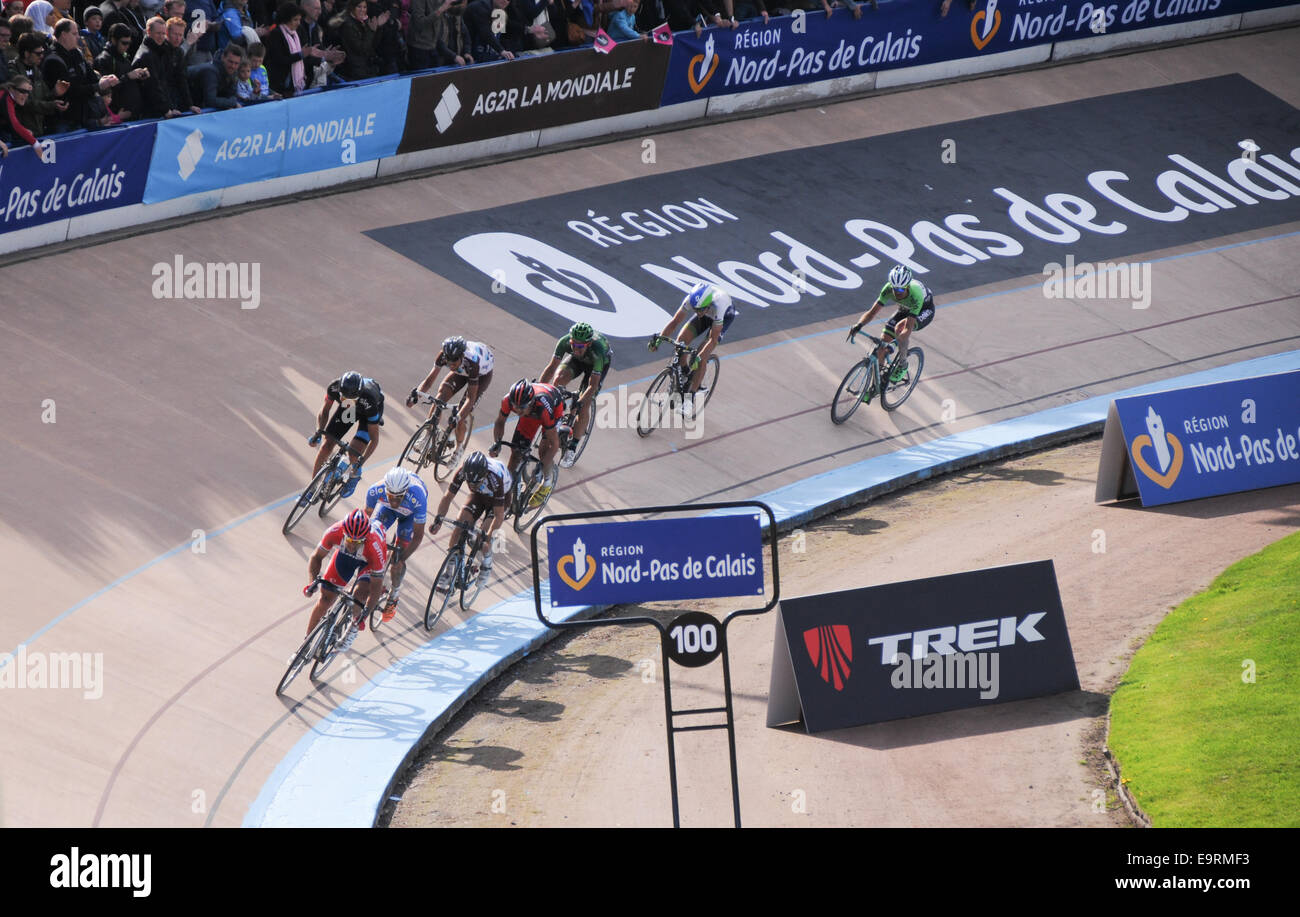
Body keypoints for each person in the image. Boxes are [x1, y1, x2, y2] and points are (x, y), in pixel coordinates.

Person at [302, 508, 386, 651]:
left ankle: (352, 628)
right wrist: (312, 583)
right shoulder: (334, 531)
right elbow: (316, 557)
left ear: (365, 538)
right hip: (344, 557)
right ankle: (306, 644)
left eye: (357, 542)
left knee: (359, 596)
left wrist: (364, 615)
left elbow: (376, 587)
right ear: (343, 533)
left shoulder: (374, 545)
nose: (352, 545)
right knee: (325, 599)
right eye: (349, 540)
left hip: (369, 563)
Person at [649, 281, 736, 414]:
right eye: (696, 310)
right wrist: (659, 340)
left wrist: (700, 356)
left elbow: (712, 340)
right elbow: (675, 322)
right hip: (708, 314)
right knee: (680, 342)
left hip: (723, 318)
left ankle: (690, 399)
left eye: (700, 310)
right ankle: (684, 373)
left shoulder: (720, 305)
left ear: (708, 305)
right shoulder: (692, 301)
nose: (698, 312)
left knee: (700, 356)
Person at [429, 450, 510, 591]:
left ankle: (487, 563)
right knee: (459, 524)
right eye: (469, 483)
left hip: (498, 500)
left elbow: (498, 515)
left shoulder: (495, 479)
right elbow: (448, 496)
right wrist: (438, 519)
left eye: (475, 483)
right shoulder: (463, 472)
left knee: (482, 538)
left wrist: (488, 538)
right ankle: (449, 572)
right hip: (479, 496)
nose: (471, 486)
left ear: (484, 475)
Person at [848, 264, 935, 391]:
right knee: (882, 345)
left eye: (900, 290)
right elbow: (872, 312)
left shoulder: (916, 294)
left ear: (907, 287)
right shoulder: (888, 289)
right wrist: (858, 325)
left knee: (900, 328)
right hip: (905, 309)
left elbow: (907, 329)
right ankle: (875, 387)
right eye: (894, 289)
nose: (896, 292)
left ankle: (903, 364)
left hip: (923, 311)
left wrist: (893, 345)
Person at [406, 336, 493, 460]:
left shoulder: (473, 363)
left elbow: (470, 398)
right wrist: (415, 395)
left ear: (462, 356)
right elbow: (429, 382)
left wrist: (458, 417)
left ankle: (459, 449)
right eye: (448, 361)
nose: (450, 364)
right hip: (461, 371)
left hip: (481, 375)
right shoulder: (443, 356)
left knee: (461, 415)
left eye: (454, 361)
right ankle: (429, 434)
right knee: (439, 398)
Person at [538, 321, 610, 465]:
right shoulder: (564, 342)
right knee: (558, 380)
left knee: (583, 406)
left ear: (588, 344)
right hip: (577, 362)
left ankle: (572, 448)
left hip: (596, 366)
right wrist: (539, 389)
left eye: (580, 347)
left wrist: (580, 402)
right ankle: (557, 415)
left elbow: (593, 385)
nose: (575, 349)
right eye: (573, 345)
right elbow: (551, 368)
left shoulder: (598, 351)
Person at [307, 370, 384, 499]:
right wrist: (319, 431)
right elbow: (325, 411)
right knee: (326, 445)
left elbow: (374, 440)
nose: (345, 399)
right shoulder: (334, 387)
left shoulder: (369, 401)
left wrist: (360, 462)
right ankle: (311, 489)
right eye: (343, 397)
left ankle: (354, 476)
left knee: (354, 453)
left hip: (367, 412)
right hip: (350, 408)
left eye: (350, 398)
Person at [363, 466, 428, 620]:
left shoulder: (418, 498)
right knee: (370, 537)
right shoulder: (375, 490)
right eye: (391, 495)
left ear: (406, 491)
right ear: (385, 489)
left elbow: (418, 536)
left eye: (399, 496)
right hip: (387, 511)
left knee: (397, 560)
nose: (394, 500)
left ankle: (395, 593)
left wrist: (401, 558)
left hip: (410, 516)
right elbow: (364, 525)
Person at [489, 378, 566, 509]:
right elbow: (500, 422)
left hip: (553, 408)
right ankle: (506, 492)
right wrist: (497, 443)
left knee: (544, 450)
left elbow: (554, 445)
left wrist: (541, 466)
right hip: (531, 414)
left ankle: (547, 484)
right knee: (516, 452)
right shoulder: (508, 400)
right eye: (515, 408)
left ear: (531, 403)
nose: (518, 411)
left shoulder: (543, 408)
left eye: (521, 408)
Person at [187, 39, 244, 107]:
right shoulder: (211, 72)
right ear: (223, 57)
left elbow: (232, 95)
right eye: (230, 62)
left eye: (236, 63)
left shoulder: (233, 72)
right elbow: (210, 101)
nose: (233, 66)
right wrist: (232, 103)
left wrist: (231, 102)